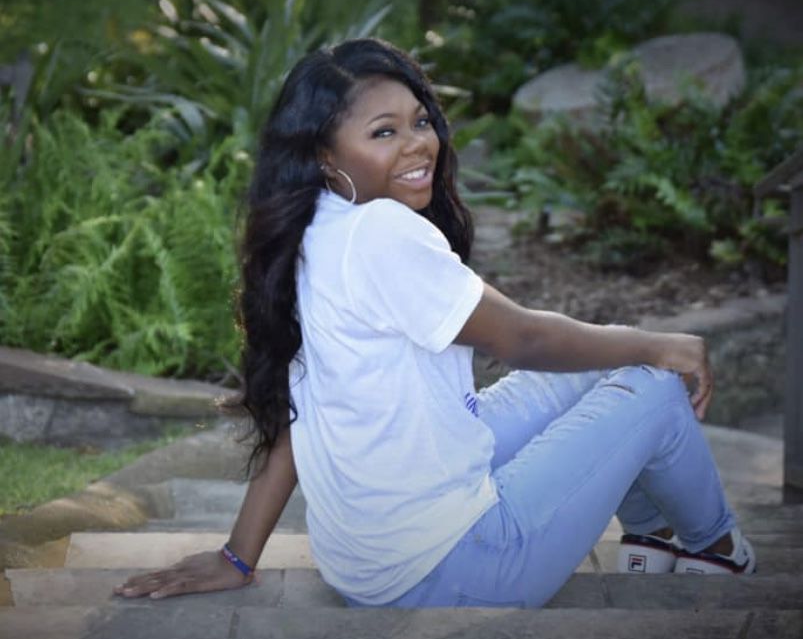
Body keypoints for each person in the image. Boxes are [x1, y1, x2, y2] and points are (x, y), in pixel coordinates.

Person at [114, 37, 755, 608]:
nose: (419, 143)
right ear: (323, 153)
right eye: (383, 132)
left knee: (604, 360)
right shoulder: (381, 232)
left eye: (420, 121)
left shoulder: (312, 231)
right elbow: (523, 338)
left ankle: (649, 538)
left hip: (367, 566)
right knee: (651, 380)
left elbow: (302, 414)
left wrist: (238, 556)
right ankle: (716, 548)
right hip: (463, 566)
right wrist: (662, 343)